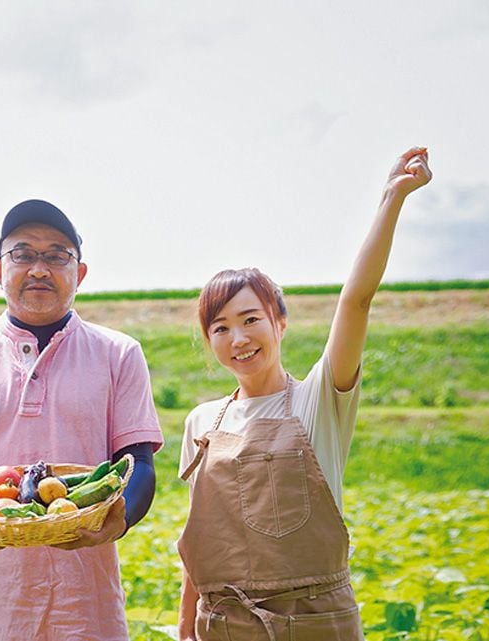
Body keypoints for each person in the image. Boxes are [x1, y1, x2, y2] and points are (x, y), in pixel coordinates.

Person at [176, 148, 433, 640]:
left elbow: (356, 300)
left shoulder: (318, 402)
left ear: (280, 323)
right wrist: (186, 628)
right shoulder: (201, 423)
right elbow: (202, 542)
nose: (239, 339)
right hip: (222, 626)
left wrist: (391, 199)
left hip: (314, 625)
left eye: (251, 320)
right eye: (221, 327)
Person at [0, 199, 165, 640]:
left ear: (80, 274)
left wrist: (119, 520)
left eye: (56, 255)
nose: (39, 268)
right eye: (23, 254)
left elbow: (137, 462)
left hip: (83, 596)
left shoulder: (118, 354)